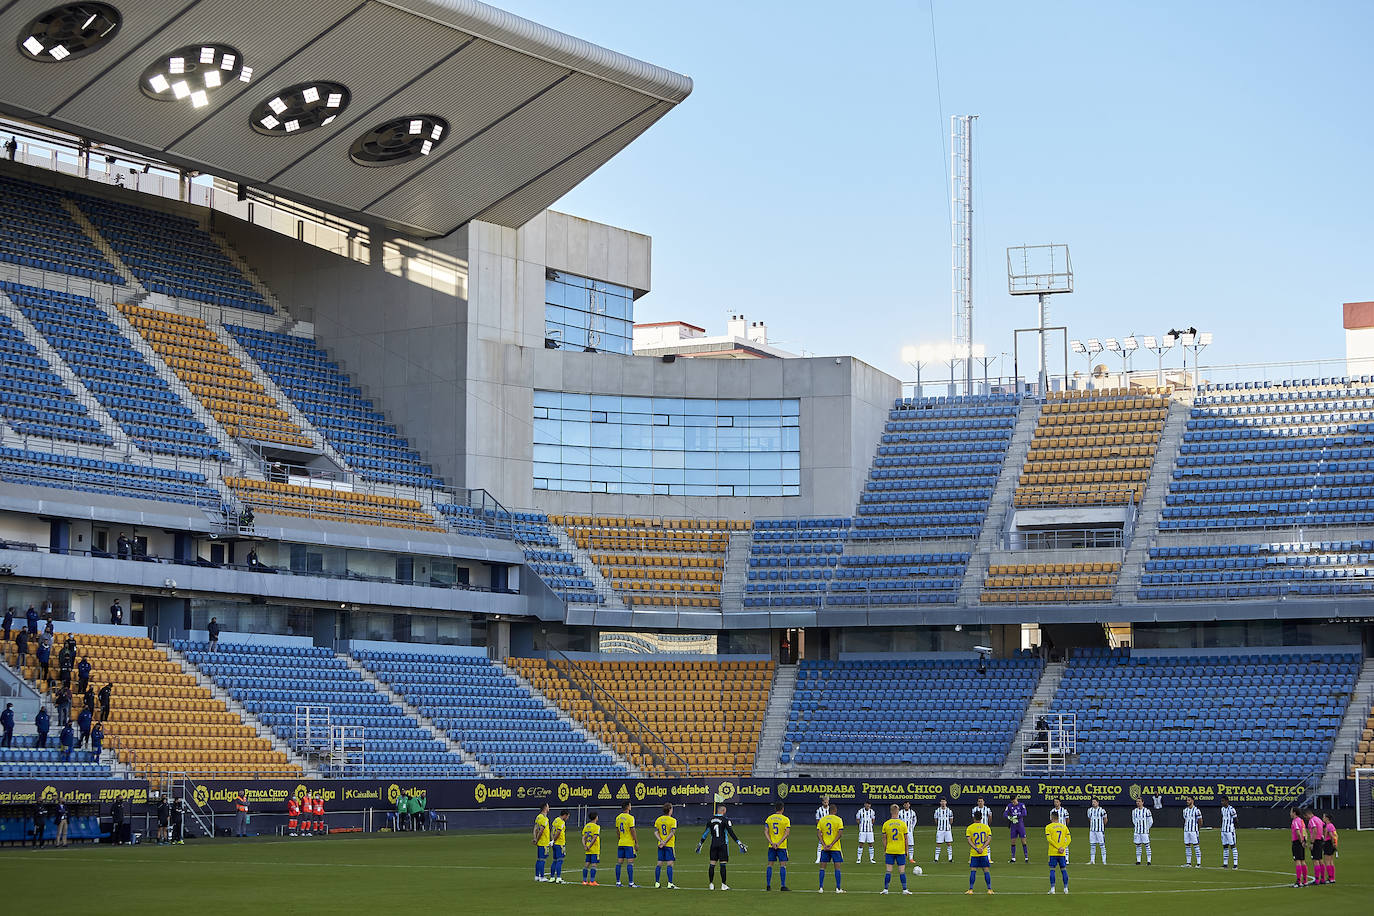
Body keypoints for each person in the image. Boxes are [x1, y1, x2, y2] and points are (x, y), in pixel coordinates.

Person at [696, 802, 746, 890]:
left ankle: (711, 884)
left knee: (712, 864)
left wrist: (700, 843)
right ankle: (723, 885)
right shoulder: (725, 820)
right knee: (723, 865)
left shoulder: (710, 820)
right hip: (723, 844)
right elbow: (731, 833)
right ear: (723, 811)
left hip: (713, 844)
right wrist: (739, 842)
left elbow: (705, 834)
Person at [880, 804, 911, 895]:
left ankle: (886, 889)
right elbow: (906, 839)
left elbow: (884, 838)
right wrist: (906, 850)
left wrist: (885, 850)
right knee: (902, 871)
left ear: (891, 811)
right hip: (900, 850)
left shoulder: (886, 824)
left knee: (888, 870)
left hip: (890, 850)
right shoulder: (902, 824)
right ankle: (904, 890)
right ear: (898, 812)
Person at [816, 804, 844, 893]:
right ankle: (838, 888)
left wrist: (824, 844)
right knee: (837, 868)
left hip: (825, 848)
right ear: (835, 811)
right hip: (835, 848)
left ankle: (820, 888)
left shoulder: (822, 820)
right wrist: (831, 844)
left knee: (822, 868)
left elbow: (818, 833)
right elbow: (840, 834)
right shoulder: (838, 819)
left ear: (829, 811)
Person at [764, 802, 791, 892]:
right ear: (782, 809)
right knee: (782, 865)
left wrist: (771, 842)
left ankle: (768, 885)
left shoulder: (769, 818)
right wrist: (778, 843)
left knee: (770, 864)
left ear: (775, 808)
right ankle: (783, 886)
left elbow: (766, 832)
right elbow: (787, 833)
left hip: (771, 846)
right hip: (781, 846)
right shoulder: (785, 819)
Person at [965, 811, 994, 895]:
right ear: (981, 818)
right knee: (986, 870)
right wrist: (982, 847)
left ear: (974, 817)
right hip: (984, 853)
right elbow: (989, 839)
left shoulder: (970, 828)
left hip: (974, 853)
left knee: (973, 870)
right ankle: (989, 889)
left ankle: (970, 889)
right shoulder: (986, 827)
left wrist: (976, 848)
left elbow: (969, 840)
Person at [653, 802, 677, 889]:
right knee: (670, 864)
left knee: (659, 863)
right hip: (669, 845)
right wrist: (665, 842)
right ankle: (670, 883)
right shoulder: (673, 820)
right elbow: (672, 832)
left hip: (660, 845)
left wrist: (661, 841)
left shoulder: (658, 819)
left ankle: (657, 883)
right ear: (670, 810)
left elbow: (656, 832)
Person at [614, 800, 637, 887]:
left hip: (621, 842)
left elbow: (617, 830)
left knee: (619, 862)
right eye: (630, 805)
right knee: (630, 863)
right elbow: (632, 830)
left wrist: (620, 838)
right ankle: (631, 883)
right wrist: (636, 842)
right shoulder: (630, 818)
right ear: (627, 807)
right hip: (628, 843)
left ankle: (618, 882)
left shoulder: (618, 817)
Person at [1046, 817, 1071, 894]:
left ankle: (1052, 889)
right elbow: (1069, 839)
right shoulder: (1064, 827)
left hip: (1053, 852)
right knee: (1063, 869)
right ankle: (1066, 888)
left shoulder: (1048, 827)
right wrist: (1062, 848)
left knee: (1052, 869)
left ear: (1051, 818)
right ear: (1058, 818)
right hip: (1062, 853)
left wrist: (1057, 847)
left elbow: (1049, 839)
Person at [1179, 796, 1202, 867]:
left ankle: (1198, 863)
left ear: (1192, 801)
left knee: (1196, 846)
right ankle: (1188, 863)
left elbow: (1200, 821)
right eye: (1187, 800)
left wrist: (1197, 829)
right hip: (1186, 831)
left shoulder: (1196, 810)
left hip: (1193, 831)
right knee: (1187, 846)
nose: (1187, 801)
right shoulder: (1185, 810)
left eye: (1189, 800)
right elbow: (1185, 820)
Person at [1005, 794, 1029, 863]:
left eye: (1014, 800)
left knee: (1023, 842)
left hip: (1020, 825)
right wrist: (1010, 818)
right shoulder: (1009, 806)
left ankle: (1026, 857)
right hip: (1013, 826)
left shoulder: (1021, 805)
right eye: (1012, 801)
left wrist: (1016, 816)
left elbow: (1024, 813)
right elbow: (1005, 814)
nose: (1013, 802)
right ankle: (1013, 858)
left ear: (1016, 798)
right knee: (1013, 842)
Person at [532, 802, 552, 882]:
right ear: (545, 808)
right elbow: (541, 831)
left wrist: (535, 838)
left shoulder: (538, 817)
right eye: (548, 806)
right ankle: (542, 876)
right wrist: (537, 839)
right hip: (544, 842)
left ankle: (537, 876)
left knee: (539, 859)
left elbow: (535, 829)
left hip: (540, 842)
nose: (549, 808)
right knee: (543, 859)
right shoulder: (544, 819)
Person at [581, 811, 602, 886]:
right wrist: (590, 846)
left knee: (587, 864)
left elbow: (583, 837)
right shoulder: (597, 827)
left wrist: (585, 846)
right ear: (596, 817)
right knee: (594, 864)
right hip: (594, 849)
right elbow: (595, 837)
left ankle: (584, 881)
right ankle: (592, 881)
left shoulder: (586, 826)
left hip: (587, 849)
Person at [1305, 807, 1325, 885]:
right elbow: (1324, 826)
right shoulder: (1318, 819)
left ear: (1308, 814)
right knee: (1320, 859)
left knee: (1315, 860)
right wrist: (1323, 835)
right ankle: (1322, 879)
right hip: (1320, 840)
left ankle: (1317, 880)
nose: (1306, 818)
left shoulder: (1312, 820)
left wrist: (1312, 842)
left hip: (1316, 841)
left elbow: (1315, 830)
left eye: (1305, 816)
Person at [1289, 807, 1308, 887]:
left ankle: (1298, 881)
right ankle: (1305, 881)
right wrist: (1304, 841)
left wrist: (1301, 841)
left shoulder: (1295, 821)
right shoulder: (1301, 820)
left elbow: (1297, 832)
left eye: (1291, 812)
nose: (1290, 813)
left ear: (1294, 813)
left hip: (1297, 842)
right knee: (1303, 860)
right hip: (1302, 841)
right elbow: (1304, 831)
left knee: (1297, 861)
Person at [1133, 797, 1154, 865]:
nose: (1138, 803)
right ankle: (1138, 860)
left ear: (1142, 802)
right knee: (1138, 845)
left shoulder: (1147, 811)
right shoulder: (1134, 811)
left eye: (1139, 801)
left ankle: (1149, 861)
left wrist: (1147, 828)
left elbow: (1150, 821)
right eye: (1137, 801)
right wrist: (1137, 827)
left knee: (1147, 845)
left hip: (1144, 831)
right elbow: (1134, 821)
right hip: (1137, 831)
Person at [549, 809, 568, 884]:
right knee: (560, 860)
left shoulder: (555, 820)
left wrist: (552, 840)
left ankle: (552, 877)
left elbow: (552, 831)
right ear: (565, 815)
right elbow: (558, 832)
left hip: (554, 844)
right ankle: (559, 878)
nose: (567, 818)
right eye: (567, 816)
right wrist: (554, 840)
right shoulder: (561, 822)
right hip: (560, 843)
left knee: (554, 860)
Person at [933, 798, 954, 862]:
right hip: (940, 830)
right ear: (940, 803)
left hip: (947, 830)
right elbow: (936, 820)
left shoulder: (949, 811)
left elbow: (951, 820)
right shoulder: (937, 811)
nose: (943, 803)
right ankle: (936, 859)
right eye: (941, 802)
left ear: (946, 802)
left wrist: (947, 826)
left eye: (944, 801)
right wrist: (940, 826)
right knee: (938, 844)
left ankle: (950, 858)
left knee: (949, 843)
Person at [1087, 798, 1107, 864]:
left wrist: (1101, 827)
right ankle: (1092, 860)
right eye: (1092, 802)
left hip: (1100, 830)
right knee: (1092, 845)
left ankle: (1104, 861)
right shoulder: (1089, 810)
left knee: (1102, 845)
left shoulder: (1102, 810)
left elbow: (1105, 819)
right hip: (1092, 830)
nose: (1093, 803)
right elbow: (1090, 819)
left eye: (1095, 802)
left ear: (1098, 803)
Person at [813, 795, 831, 864]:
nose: (826, 803)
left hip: (829, 829)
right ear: (822, 802)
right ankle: (818, 858)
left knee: (832, 843)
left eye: (827, 802)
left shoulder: (830, 809)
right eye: (825, 802)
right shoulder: (819, 810)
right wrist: (819, 829)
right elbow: (817, 820)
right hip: (823, 829)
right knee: (820, 843)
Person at [1321, 813, 1337, 884]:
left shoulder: (1328, 826)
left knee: (1327, 861)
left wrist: (1333, 842)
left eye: (1324, 817)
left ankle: (1330, 877)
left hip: (1328, 843)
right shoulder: (1332, 825)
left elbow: (1331, 835)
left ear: (1327, 818)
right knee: (1331, 861)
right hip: (1331, 844)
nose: (1323, 818)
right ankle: (1332, 878)